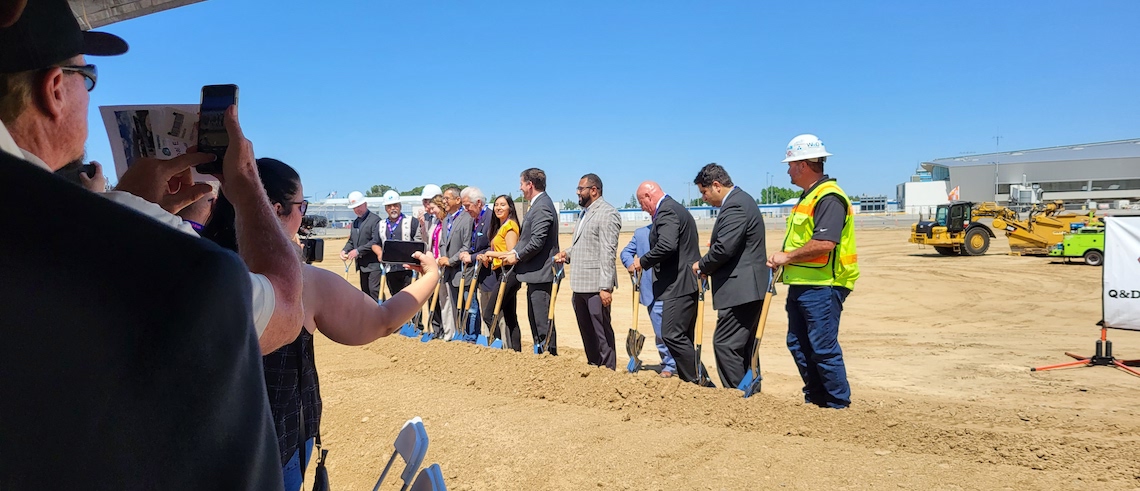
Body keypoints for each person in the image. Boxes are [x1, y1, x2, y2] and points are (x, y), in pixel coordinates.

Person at [0, 1, 286, 486]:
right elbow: (286, 305)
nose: (87, 93)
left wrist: (123, 205)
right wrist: (244, 183)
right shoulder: (183, 273)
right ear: (54, 90)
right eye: (86, 78)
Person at [203, 157, 439, 490]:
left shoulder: (196, 263)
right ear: (274, 209)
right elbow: (381, 321)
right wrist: (431, 276)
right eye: (301, 205)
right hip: (270, 451)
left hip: (197, 450)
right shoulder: (301, 282)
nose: (304, 214)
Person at [767, 134, 859, 409]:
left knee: (822, 348)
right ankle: (816, 401)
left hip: (824, 286)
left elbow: (825, 243)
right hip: (804, 284)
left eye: (790, 165)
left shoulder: (829, 197)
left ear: (803, 165)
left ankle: (837, 405)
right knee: (798, 344)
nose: (788, 171)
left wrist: (788, 256)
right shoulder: (808, 197)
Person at [691, 163, 768, 388]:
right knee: (743, 346)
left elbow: (724, 248)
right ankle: (750, 394)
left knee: (726, 344)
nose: (704, 198)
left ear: (716, 185)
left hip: (742, 290)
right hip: (746, 288)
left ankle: (737, 398)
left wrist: (702, 266)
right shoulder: (740, 202)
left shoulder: (735, 205)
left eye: (704, 192)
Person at [632, 181, 704, 385]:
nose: (641, 207)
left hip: (678, 285)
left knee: (671, 334)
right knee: (682, 336)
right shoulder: (675, 208)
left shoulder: (667, 211)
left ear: (648, 195)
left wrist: (642, 262)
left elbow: (666, 246)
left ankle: (697, 380)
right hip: (684, 283)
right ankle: (694, 380)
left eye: (641, 202)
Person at [555, 173, 622, 369]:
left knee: (601, 333)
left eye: (580, 189)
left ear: (594, 190)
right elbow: (584, 246)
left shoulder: (607, 213)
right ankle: (593, 368)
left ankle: (608, 370)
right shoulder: (585, 213)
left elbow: (608, 252)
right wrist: (566, 254)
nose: (578, 193)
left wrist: (605, 287)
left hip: (596, 286)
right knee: (587, 332)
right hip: (580, 285)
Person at [504, 168, 561, 354]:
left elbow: (537, 241)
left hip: (543, 275)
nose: (520, 188)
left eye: (521, 184)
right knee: (536, 321)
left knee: (543, 323)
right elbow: (527, 239)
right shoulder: (536, 205)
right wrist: (513, 252)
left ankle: (549, 360)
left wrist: (517, 255)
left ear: (530, 185)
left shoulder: (542, 206)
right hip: (535, 275)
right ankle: (542, 357)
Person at [621, 224, 677, 377]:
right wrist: (630, 264)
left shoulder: (672, 231)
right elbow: (625, 252)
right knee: (660, 331)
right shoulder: (641, 234)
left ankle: (681, 363)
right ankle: (669, 364)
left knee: (678, 332)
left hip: (673, 289)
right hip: (651, 291)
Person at [479, 194, 522, 350]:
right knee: (510, 316)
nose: (498, 208)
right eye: (496, 204)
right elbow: (500, 251)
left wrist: (491, 254)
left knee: (489, 314)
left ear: (510, 207)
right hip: (500, 272)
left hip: (509, 274)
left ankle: (497, 347)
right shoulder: (500, 226)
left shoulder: (510, 226)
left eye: (503, 205)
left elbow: (512, 254)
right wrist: (489, 256)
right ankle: (515, 351)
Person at [436, 186, 473, 341]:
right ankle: (459, 333)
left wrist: (450, 261)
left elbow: (467, 246)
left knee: (468, 307)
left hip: (462, 271)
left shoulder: (467, 218)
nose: (444, 202)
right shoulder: (446, 220)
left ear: (458, 200)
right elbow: (442, 243)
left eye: (447, 198)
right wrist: (444, 259)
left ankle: (470, 337)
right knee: (454, 306)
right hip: (449, 272)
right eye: (443, 199)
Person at [371, 189, 420, 298]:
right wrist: (380, 253)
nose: (392, 208)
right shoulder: (381, 224)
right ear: (386, 209)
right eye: (389, 206)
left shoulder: (412, 221)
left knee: (412, 299)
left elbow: (419, 241)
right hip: (390, 269)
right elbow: (375, 243)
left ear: (400, 206)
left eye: (395, 205)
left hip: (409, 269)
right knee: (396, 298)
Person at [459, 186, 493, 339]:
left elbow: (490, 247)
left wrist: (471, 257)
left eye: (467, 206)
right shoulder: (476, 219)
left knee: (489, 312)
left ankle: (490, 340)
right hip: (478, 272)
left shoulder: (490, 218)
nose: (465, 210)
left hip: (490, 274)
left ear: (478, 202)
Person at [341, 190, 383, 300]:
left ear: (365, 204)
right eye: (354, 208)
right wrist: (345, 250)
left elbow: (375, 241)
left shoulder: (375, 220)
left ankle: (382, 313)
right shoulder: (355, 223)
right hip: (362, 265)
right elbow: (351, 241)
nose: (357, 210)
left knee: (374, 290)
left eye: (359, 206)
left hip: (374, 264)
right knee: (365, 292)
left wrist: (358, 251)